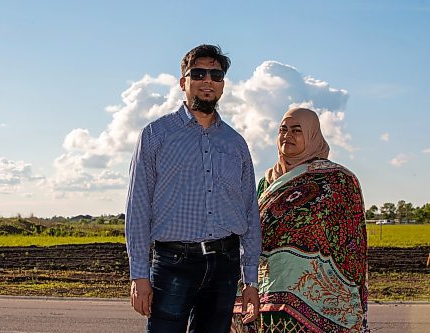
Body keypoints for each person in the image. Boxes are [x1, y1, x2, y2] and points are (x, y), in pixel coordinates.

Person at [125, 44, 262, 333]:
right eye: (198, 73)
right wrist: (139, 275)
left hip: (225, 265)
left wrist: (250, 280)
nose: (207, 80)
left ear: (223, 84)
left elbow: (250, 212)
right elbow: (138, 208)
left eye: (216, 74)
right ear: (183, 82)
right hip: (174, 263)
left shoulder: (236, 144)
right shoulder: (155, 136)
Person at [232, 107, 370, 333]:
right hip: (264, 290)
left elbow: (352, 241)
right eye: (282, 130)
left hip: (317, 300)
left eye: (297, 130)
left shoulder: (339, 180)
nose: (287, 135)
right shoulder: (266, 183)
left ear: (312, 134)